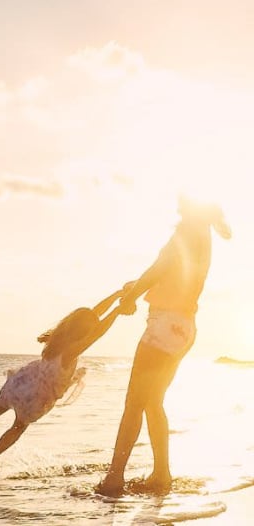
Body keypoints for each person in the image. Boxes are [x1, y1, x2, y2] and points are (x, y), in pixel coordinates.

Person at [96, 197, 231, 497]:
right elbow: (173, 278)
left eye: (183, 200)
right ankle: (161, 476)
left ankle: (114, 480)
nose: (177, 203)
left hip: (163, 329)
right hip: (182, 328)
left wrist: (132, 297)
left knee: (134, 404)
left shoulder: (186, 235)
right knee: (152, 402)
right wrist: (137, 288)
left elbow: (159, 270)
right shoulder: (201, 238)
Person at [0, 284, 132, 477]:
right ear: (83, 330)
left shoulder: (60, 337)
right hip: (36, 396)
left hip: (24, 382)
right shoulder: (72, 350)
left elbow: (92, 315)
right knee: (18, 427)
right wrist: (116, 311)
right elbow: (97, 331)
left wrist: (116, 296)